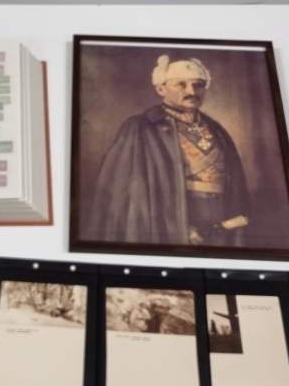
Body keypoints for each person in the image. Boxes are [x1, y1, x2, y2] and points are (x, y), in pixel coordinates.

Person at [85, 55, 250, 247]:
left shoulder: (216, 129)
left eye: (198, 85)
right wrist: (178, 227)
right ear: (161, 89)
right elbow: (132, 194)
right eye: (181, 85)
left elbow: (235, 187)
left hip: (222, 225)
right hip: (172, 222)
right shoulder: (140, 127)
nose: (192, 91)